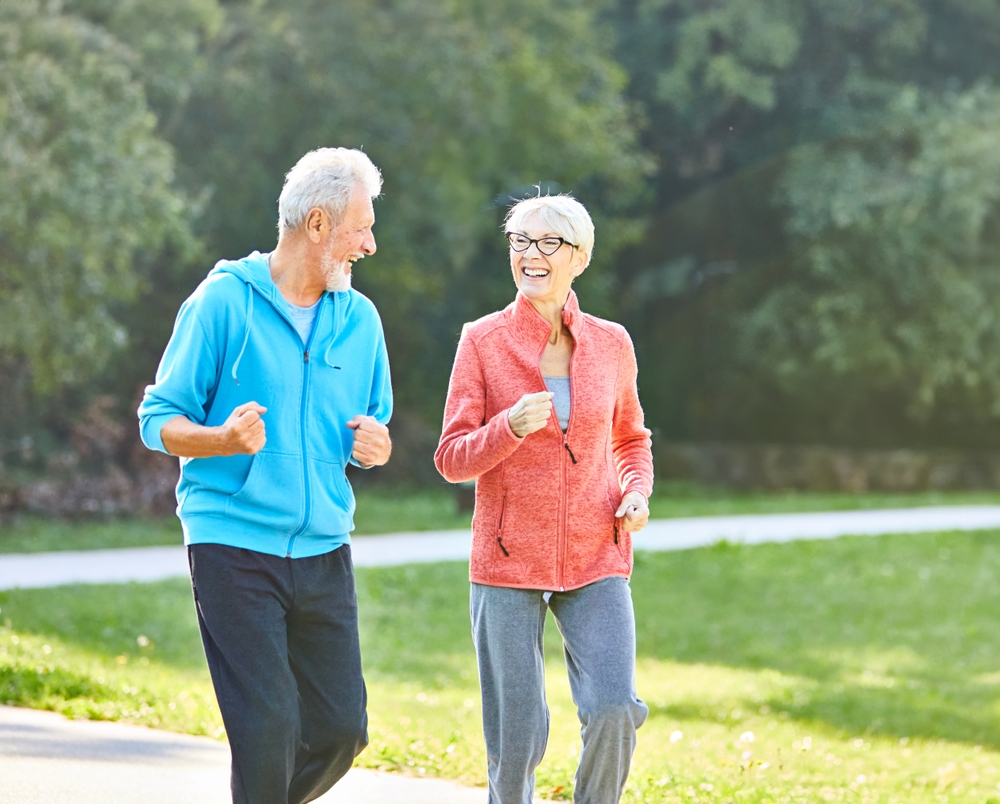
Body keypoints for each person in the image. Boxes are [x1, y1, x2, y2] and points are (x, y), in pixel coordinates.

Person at [137, 148, 393, 804]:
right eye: (360, 226)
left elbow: (376, 425)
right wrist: (220, 439)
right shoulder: (223, 303)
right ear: (316, 225)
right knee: (269, 727)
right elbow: (156, 418)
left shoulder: (359, 321)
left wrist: (376, 446)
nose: (370, 242)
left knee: (341, 730)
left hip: (323, 547)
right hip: (233, 546)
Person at [434, 194, 654, 804]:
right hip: (507, 561)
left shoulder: (612, 344)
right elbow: (451, 457)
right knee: (517, 736)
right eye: (520, 242)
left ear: (579, 257)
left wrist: (636, 491)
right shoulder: (482, 341)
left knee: (614, 708)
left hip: (595, 553)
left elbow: (631, 437)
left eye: (548, 243)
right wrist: (510, 426)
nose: (531, 254)